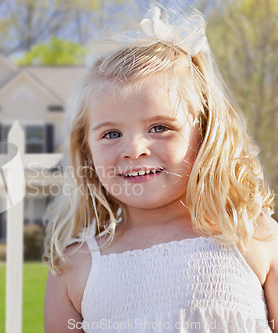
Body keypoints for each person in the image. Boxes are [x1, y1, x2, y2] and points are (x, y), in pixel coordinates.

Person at [43, 4, 278, 333]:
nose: (135, 150)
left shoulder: (253, 236)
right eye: (111, 134)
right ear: (86, 150)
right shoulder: (75, 267)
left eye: (160, 128)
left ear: (205, 134)